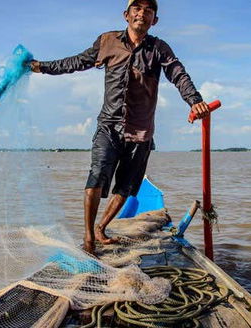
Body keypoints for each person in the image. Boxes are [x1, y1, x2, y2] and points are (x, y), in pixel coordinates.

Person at [30, 0, 211, 255]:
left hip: (141, 131)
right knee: (96, 176)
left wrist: (195, 101)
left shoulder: (159, 49)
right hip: (109, 125)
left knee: (126, 186)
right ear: (126, 15)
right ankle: (88, 238)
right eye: (137, 8)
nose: (142, 14)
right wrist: (41, 67)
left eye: (148, 11)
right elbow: (76, 62)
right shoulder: (107, 41)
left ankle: (101, 228)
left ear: (154, 20)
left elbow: (178, 74)